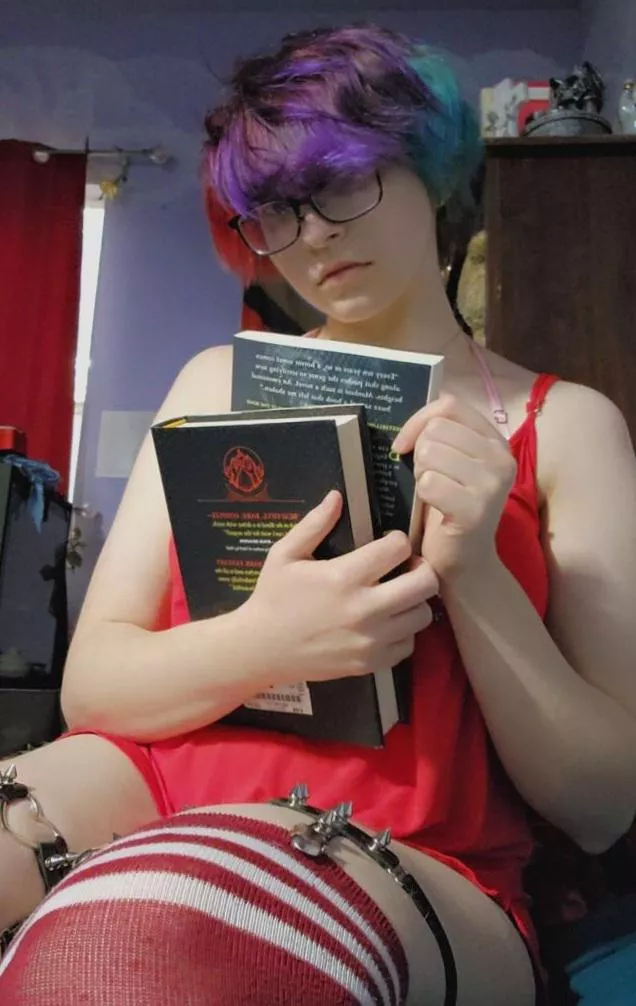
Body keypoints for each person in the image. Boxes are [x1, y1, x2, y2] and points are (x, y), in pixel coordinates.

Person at [1, 23, 635, 1006]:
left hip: (425, 845)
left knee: (141, 938)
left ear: (429, 170)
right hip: (152, 777)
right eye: (275, 210)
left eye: (339, 183)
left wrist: (474, 574)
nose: (312, 235)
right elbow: (93, 690)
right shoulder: (213, 382)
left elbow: (601, 803)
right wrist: (267, 640)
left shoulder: (566, 425)